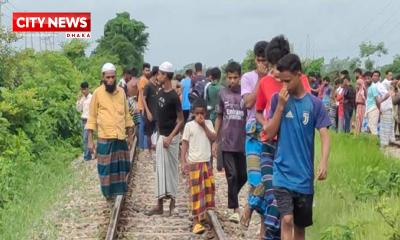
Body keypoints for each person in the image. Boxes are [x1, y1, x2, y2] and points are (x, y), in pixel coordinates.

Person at [264, 54, 331, 240]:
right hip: (282, 173)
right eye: (281, 82)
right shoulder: (278, 100)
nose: (284, 86)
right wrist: (280, 108)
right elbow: (269, 133)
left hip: (303, 176)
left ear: (299, 74)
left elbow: (325, 135)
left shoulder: (314, 104)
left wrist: (324, 162)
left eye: (287, 81)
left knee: (300, 228)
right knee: (286, 219)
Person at [255, 35, 311, 239]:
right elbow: (259, 111)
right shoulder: (265, 83)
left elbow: (309, 110)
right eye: (273, 65)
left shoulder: (302, 81)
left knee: (292, 214)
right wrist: (267, 125)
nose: (276, 71)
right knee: (275, 202)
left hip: (294, 153)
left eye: (279, 65)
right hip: (271, 147)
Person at [86, 63, 134, 199]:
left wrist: (130, 136)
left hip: (120, 138)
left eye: (113, 77)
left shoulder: (121, 93)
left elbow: (126, 115)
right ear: (103, 77)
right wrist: (90, 141)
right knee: (105, 169)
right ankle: (108, 194)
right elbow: (92, 118)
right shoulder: (97, 93)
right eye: (108, 77)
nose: (111, 80)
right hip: (105, 138)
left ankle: (119, 193)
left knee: (122, 167)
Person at [146, 61, 184, 216]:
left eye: (161, 73)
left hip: (171, 139)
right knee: (160, 171)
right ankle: (159, 205)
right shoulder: (160, 92)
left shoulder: (174, 97)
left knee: (172, 172)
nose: (158, 76)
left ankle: (172, 205)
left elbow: (181, 120)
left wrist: (170, 137)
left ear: (167, 76)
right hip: (162, 136)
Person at [239, 40, 269, 237]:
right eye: (259, 60)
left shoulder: (277, 78)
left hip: (271, 132)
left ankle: (262, 231)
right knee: (256, 180)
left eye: (265, 61)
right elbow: (248, 103)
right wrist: (261, 80)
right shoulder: (248, 78)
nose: (262, 64)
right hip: (253, 134)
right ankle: (250, 208)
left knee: (269, 183)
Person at [213, 61, 247, 223]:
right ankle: (235, 208)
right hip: (226, 142)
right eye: (230, 77)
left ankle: (232, 196)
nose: (232, 81)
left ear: (240, 77)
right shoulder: (222, 93)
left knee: (243, 176)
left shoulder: (246, 93)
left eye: (235, 78)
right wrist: (215, 139)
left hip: (243, 142)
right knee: (232, 175)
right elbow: (219, 116)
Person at [181, 99, 217, 234]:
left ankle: (204, 215)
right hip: (194, 163)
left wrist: (204, 126)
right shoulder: (189, 126)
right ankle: (196, 220)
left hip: (206, 162)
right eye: (197, 113)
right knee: (196, 192)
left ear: (206, 113)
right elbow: (184, 144)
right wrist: (183, 161)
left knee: (208, 190)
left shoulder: (209, 123)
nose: (200, 116)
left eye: (202, 113)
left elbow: (213, 137)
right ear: (193, 113)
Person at [143, 66, 160, 153]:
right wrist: (148, 112)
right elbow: (143, 99)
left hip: (157, 113)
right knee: (149, 133)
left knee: (157, 131)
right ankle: (149, 151)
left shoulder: (157, 85)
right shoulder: (148, 85)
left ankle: (155, 150)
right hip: (149, 113)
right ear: (156, 74)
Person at [377, 70, 395, 147]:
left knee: (390, 124)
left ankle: (388, 140)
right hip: (385, 106)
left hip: (388, 106)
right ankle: (384, 141)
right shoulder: (384, 83)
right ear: (386, 75)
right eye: (389, 75)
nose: (391, 77)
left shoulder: (387, 83)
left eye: (391, 75)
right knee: (385, 125)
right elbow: (392, 83)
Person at [76, 81, 93, 161]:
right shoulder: (82, 98)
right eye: (82, 90)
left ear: (88, 89)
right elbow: (79, 109)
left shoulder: (92, 97)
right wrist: (78, 101)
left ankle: (87, 156)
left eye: (85, 89)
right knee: (85, 138)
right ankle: (89, 154)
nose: (83, 91)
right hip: (83, 119)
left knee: (86, 138)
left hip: (89, 119)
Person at [138, 63, 151, 153]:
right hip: (142, 107)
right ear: (143, 71)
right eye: (146, 70)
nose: (148, 71)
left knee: (143, 126)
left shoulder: (145, 79)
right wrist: (143, 108)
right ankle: (143, 146)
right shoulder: (143, 80)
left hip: (143, 106)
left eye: (149, 70)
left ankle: (142, 146)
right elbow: (143, 95)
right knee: (143, 127)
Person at [366, 71, 381, 135]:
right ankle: (372, 143)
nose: (367, 80)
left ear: (371, 78)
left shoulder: (373, 87)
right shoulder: (369, 87)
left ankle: (376, 143)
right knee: (370, 127)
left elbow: (377, 100)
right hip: (369, 109)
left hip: (374, 109)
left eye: (368, 78)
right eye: (366, 79)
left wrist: (379, 110)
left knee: (373, 127)